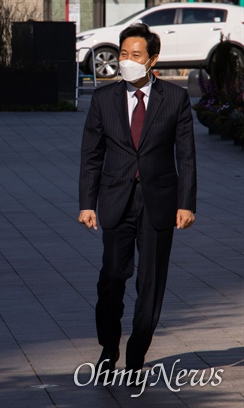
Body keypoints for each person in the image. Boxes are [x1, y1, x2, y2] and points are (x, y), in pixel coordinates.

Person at [78, 23, 197, 376]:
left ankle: (136, 352)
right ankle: (109, 345)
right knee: (112, 278)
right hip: (116, 201)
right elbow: (91, 155)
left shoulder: (174, 99)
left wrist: (186, 204)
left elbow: (186, 156)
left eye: (135, 55)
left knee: (151, 282)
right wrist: (87, 203)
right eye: (123, 55)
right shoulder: (103, 99)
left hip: (160, 203)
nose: (127, 61)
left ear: (153, 60)